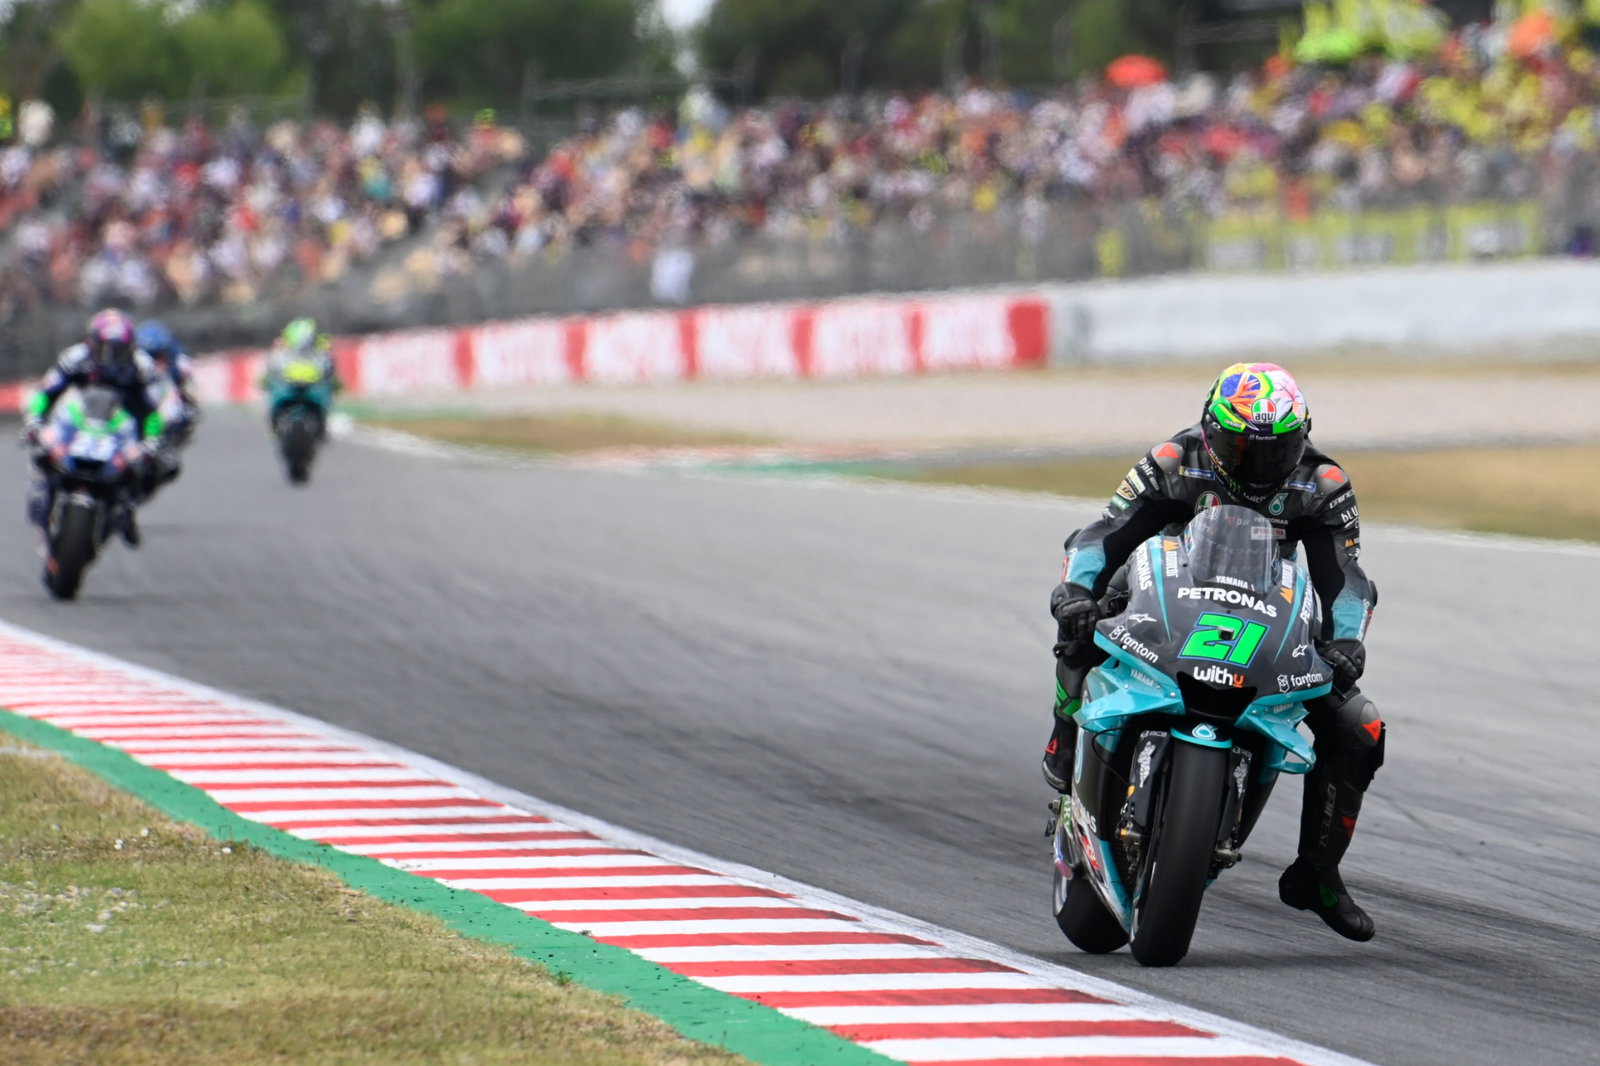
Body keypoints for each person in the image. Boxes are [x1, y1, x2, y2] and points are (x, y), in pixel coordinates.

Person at [1043, 362, 1384, 942]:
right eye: (1241, 447)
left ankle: (1316, 873)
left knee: (1361, 726)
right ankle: (1064, 736)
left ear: (1302, 436)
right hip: (1166, 597)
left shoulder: (1321, 483)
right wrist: (1077, 590)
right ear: (1209, 429)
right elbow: (1104, 533)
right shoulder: (1175, 461)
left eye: (1276, 451)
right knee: (1084, 624)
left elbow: (1345, 580)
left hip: (1262, 615)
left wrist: (1348, 641)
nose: (1259, 464)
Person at [22, 309, 163, 546]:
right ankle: (42, 502)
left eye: (118, 350)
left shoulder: (142, 368)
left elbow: (153, 412)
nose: (110, 358)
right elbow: (45, 392)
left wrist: (150, 440)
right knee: (41, 454)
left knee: (152, 466)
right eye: (105, 348)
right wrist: (34, 420)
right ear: (91, 342)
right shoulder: (74, 358)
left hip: (122, 424)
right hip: (78, 420)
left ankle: (126, 508)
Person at [134, 319, 200, 492]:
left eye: (158, 355)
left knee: (183, 413)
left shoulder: (178, 363)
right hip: (139, 403)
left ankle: (166, 449)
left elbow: (188, 387)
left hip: (164, 400)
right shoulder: (130, 365)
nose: (154, 361)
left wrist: (186, 398)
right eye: (149, 354)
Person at [260, 317, 341, 436]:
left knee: (325, 398)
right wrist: (266, 381)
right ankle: (275, 423)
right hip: (287, 388)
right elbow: (270, 372)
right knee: (273, 399)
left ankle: (321, 428)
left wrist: (333, 383)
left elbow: (329, 371)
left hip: (313, 389)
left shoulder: (321, 351)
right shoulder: (280, 352)